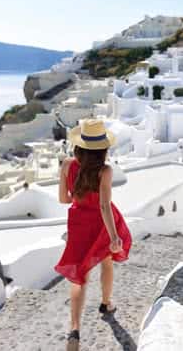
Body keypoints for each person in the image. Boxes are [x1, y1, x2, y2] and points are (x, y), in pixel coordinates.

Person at [54, 119, 132, 349]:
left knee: (79, 276)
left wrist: (78, 196)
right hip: (101, 224)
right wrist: (115, 236)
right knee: (106, 263)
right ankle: (106, 304)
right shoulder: (104, 170)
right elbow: (104, 206)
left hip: (79, 223)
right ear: (103, 149)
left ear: (79, 145)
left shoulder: (67, 165)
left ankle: (74, 329)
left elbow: (63, 199)